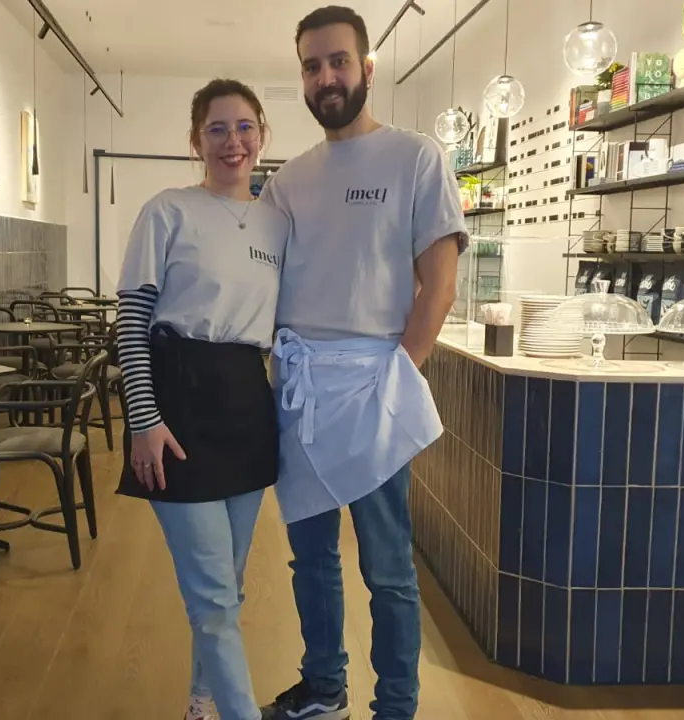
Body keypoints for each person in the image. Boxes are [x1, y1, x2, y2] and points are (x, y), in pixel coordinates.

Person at [256, 6, 467, 720]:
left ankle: (396, 707)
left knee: (388, 566)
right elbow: (263, 283)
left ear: (367, 68)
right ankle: (324, 690)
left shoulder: (415, 158)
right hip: (300, 389)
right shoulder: (288, 181)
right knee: (310, 557)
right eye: (312, 66)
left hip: (375, 381)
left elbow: (439, 285)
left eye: (338, 61)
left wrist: (400, 373)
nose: (326, 77)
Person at [113, 79, 288, 720]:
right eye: (216, 128)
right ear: (196, 140)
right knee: (211, 596)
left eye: (244, 127)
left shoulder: (278, 223)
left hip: (247, 404)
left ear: (261, 135)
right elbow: (131, 322)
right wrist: (143, 419)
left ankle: (201, 702)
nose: (232, 141)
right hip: (177, 405)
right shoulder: (168, 210)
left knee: (228, 585)